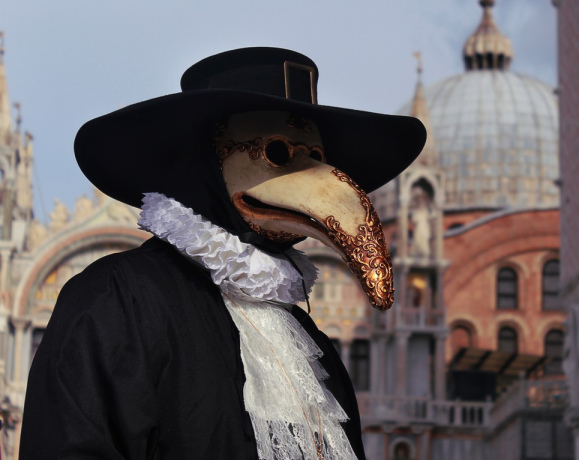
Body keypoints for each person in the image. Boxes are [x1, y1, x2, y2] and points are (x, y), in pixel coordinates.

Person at [19, 48, 425, 459]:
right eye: (278, 153)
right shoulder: (121, 297)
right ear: (208, 160)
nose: (313, 180)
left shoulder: (307, 339)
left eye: (316, 159)